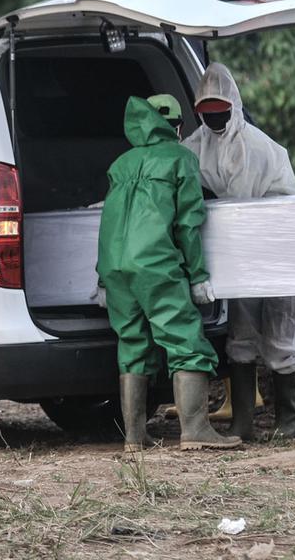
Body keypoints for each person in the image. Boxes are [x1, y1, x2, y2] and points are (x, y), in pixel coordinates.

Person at [95, 96, 241, 451]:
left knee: (132, 343)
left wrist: (102, 277)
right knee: (185, 340)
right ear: (176, 127)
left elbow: (106, 222)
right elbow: (189, 223)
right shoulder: (180, 159)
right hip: (156, 265)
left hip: (115, 267)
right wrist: (198, 275)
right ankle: (194, 430)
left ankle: (133, 436)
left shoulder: (120, 164)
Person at [183, 64, 295, 441]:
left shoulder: (253, 146)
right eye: (205, 111)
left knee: (281, 330)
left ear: (234, 105)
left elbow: (240, 205)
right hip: (241, 250)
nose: (213, 118)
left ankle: (288, 422)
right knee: (241, 332)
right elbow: (180, 166)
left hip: (277, 244)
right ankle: (243, 423)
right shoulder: (199, 142)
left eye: (219, 109)